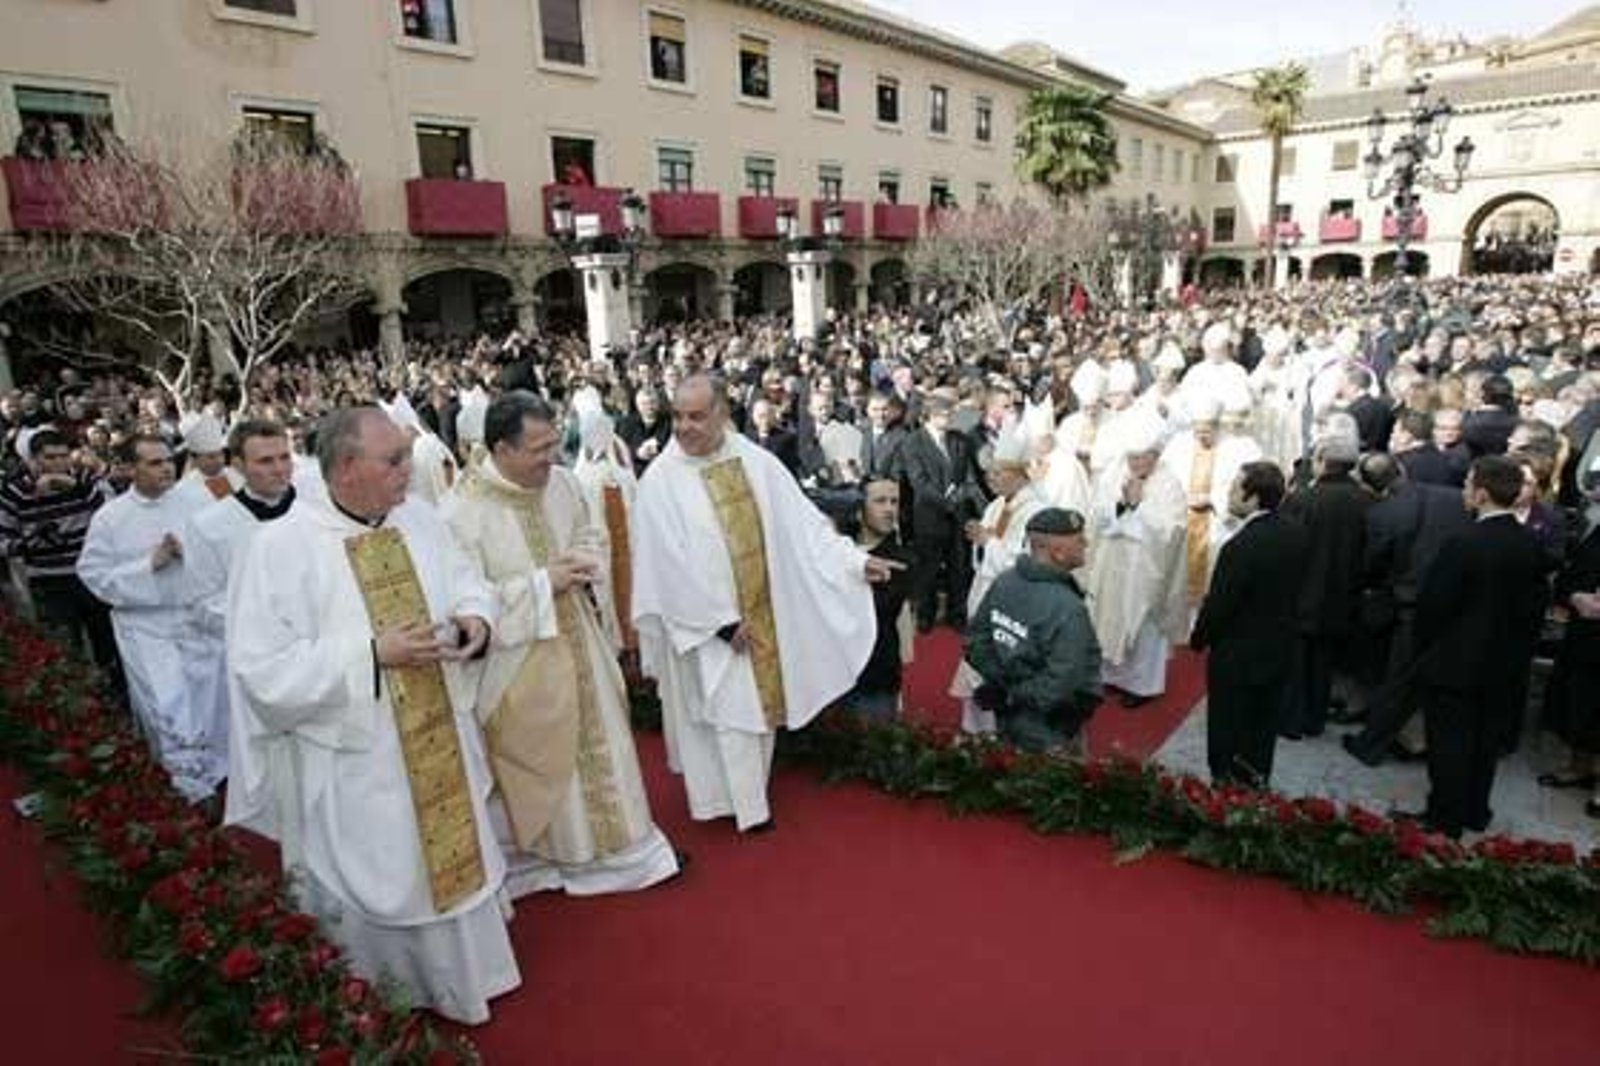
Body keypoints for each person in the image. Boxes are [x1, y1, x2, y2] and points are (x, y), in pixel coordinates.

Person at [224, 407, 519, 1024]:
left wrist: (475, 620)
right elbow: (260, 669)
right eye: (393, 462)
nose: (408, 471)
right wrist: (371, 656)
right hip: (362, 749)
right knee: (390, 864)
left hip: (441, 724)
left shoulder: (418, 518)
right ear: (345, 469)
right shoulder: (280, 547)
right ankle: (393, 988)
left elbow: (468, 578)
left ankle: (473, 976)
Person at [631, 374, 901, 833]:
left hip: (763, 614)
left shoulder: (755, 461)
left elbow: (806, 528)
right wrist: (718, 623)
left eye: (696, 416)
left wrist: (854, 562)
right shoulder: (660, 481)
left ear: (722, 413)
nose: (683, 427)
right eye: (677, 416)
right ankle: (730, 804)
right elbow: (665, 564)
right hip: (707, 625)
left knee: (756, 714)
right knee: (724, 714)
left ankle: (750, 802)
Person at [446, 392, 680, 895]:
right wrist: (541, 583)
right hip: (516, 663)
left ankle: (623, 852)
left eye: (555, 443)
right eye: (538, 449)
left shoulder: (563, 484)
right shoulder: (461, 511)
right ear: (500, 449)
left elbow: (589, 532)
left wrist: (582, 559)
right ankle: (560, 859)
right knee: (545, 762)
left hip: (578, 634)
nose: (551, 458)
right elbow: (462, 606)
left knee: (607, 741)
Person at [1402, 455, 1549, 837]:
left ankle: (1443, 816)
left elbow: (1435, 605)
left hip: (1455, 662)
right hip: (1504, 665)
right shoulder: (1529, 544)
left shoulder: (1464, 542)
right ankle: (1474, 810)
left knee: (1449, 744)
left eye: (1468, 485)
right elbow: (1534, 609)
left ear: (1482, 493)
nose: (1465, 492)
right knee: (1485, 744)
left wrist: (1427, 650)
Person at [78, 433, 216, 798]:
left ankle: (221, 777)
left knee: (211, 702)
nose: (166, 467)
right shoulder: (110, 518)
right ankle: (189, 790)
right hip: (147, 628)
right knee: (169, 706)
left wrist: (194, 553)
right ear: (128, 468)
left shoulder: (198, 499)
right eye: (154, 462)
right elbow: (93, 576)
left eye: (169, 459)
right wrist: (148, 565)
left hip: (197, 619)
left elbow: (226, 551)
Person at [1190, 461, 1306, 787]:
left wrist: (1199, 639)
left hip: (1238, 654)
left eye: (1234, 489)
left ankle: (1225, 792)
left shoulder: (1242, 546)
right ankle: (1256, 787)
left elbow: (1221, 604)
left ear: (1253, 498)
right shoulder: (1296, 532)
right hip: (1279, 649)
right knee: (1261, 730)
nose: (1227, 495)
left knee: (1228, 729)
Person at [965, 507, 1101, 755]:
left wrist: (1002, 687)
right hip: (1050, 725)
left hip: (1006, 716)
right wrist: (1016, 696)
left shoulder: (1005, 581)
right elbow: (1063, 678)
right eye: (1079, 540)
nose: (1086, 544)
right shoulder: (1067, 607)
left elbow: (976, 641)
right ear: (1058, 553)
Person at [950, 420, 1047, 734]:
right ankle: (976, 727)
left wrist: (987, 542)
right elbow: (986, 556)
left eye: (997, 473)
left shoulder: (1037, 512)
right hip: (985, 596)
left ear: (1019, 474)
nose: (990, 478)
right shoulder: (995, 506)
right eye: (989, 472)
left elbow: (1025, 563)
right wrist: (981, 542)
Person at [1085, 417, 1188, 708]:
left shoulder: (1170, 484)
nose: (1134, 463)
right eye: (1131, 457)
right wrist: (1120, 505)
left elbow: (1173, 531)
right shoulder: (1115, 472)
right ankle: (1109, 676)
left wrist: (1139, 506)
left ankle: (1141, 686)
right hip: (1113, 560)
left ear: (1156, 455)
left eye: (1141, 457)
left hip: (1146, 569)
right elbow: (1097, 512)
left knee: (1143, 624)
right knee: (1108, 615)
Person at [0, 428, 119, 679]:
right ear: (32, 460)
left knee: (109, 648)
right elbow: (3, 540)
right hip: (49, 580)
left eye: (63, 456)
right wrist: (30, 542)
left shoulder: (85, 478)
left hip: (92, 575)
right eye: (50, 458)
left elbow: (114, 512)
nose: (59, 463)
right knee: (67, 652)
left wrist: (77, 487)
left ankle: (119, 703)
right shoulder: (14, 492)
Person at [1277, 435, 1370, 740]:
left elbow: (1287, 547)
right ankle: (1314, 720)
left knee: (1296, 663)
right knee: (1323, 663)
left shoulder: (1302, 499)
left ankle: (1290, 720)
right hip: (1343, 596)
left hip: (1301, 593)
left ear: (1321, 463)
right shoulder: (1365, 500)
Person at [900, 391, 982, 631]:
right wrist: (947, 502)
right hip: (929, 516)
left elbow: (967, 475)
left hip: (959, 517)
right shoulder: (913, 442)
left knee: (959, 567)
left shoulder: (959, 440)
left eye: (950, 413)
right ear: (929, 416)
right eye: (945, 414)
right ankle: (926, 616)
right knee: (928, 570)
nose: (950, 418)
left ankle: (957, 615)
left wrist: (963, 500)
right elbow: (919, 482)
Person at [842, 476, 916, 719]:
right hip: (831, 673)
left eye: (894, 502)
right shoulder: (837, 549)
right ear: (859, 509)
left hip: (874, 679)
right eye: (880, 501)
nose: (889, 510)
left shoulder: (901, 560)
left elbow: (877, 608)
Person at [179, 412, 242, 501]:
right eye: (211, 457)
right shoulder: (185, 487)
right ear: (195, 459)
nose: (219, 460)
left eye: (220, 454)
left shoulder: (234, 474)